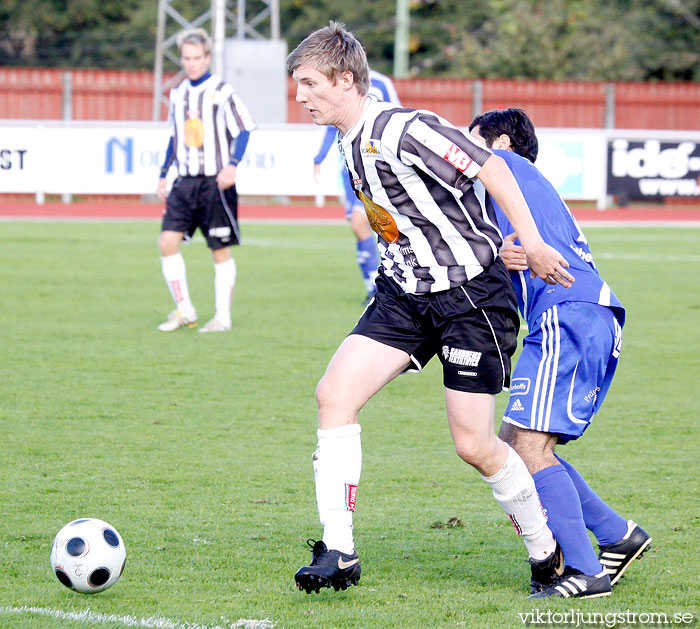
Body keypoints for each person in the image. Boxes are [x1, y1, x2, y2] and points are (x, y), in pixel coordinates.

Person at [287, 22, 575, 595]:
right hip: (404, 294)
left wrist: (533, 240)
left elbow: (489, 167)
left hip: (470, 298)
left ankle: (546, 552)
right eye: (298, 85)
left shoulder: (401, 127)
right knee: (333, 395)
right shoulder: (348, 139)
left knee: (473, 445)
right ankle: (339, 550)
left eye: (310, 84)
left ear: (346, 79)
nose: (301, 97)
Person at [469, 107, 651, 599]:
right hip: (578, 315)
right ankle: (618, 534)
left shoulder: (508, 170)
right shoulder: (524, 195)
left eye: (471, 143)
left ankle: (585, 572)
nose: (464, 156)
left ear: (500, 144)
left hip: (570, 316)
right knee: (514, 443)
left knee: (527, 449)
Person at [156, 28, 255, 333]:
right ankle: (185, 309)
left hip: (215, 183)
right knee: (167, 243)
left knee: (219, 249)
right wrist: (163, 173)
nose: (191, 63)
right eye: (186, 58)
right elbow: (175, 136)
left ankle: (222, 317)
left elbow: (245, 129)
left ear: (208, 57)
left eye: (197, 57)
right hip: (184, 183)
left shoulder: (222, 91)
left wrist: (232, 166)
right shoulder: (178, 93)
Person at [312, 70, 401, 304]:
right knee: (358, 225)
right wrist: (319, 157)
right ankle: (373, 286)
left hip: (380, 168)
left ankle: (396, 283)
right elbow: (332, 122)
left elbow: (396, 116)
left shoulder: (381, 83)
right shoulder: (336, 82)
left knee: (389, 228)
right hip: (351, 168)